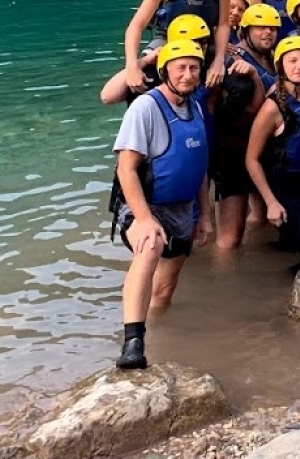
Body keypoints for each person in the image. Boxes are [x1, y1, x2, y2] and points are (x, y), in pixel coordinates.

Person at [108, 39, 211, 370]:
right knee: (150, 246)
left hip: (182, 208)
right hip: (144, 203)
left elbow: (199, 165)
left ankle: (161, 342)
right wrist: (143, 219)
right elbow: (126, 168)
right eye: (180, 67)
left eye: (193, 67)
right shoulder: (146, 107)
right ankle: (132, 342)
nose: (187, 73)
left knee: (164, 292)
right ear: (165, 70)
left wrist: (205, 215)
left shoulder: (195, 107)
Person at [245, 36, 300, 254]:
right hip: (289, 185)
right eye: (292, 61)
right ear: (280, 66)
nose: (299, 66)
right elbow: (252, 159)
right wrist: (271, 203)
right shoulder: (272, 107)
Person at [209, 3, 280, 249]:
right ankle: (222, 281)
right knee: (230, 239)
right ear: (246, 31)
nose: (267, 33)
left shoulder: (272, 58)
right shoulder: (236, 60)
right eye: (260, 28)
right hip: (233, 153)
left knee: (260, 219)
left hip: (259, 150)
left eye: (272, 28)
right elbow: (250, 109)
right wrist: (253, 76)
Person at [101, 14, 209, 106]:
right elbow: (107, 97)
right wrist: (144, 62)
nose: (199, 47)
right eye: (192, 42)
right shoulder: (151, 71)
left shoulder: (211, 66)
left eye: (203, 41)